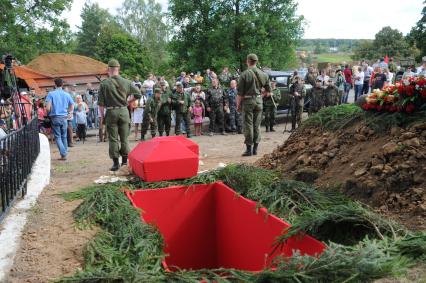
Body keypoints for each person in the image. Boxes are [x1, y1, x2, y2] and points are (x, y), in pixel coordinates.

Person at [98, 59, 141, 171]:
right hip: (123, 111)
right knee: (124, 139)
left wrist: (102, 117)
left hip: (111, 112)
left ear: (108, 70)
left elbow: (101, 104)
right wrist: (128, 102)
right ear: (118, 69)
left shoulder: (104, 84)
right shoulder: (127, 82)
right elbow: (138, 94)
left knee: (113, 139)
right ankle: (125, 162)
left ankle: (115, 163)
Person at [237, 53, 271, 157]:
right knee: (257, 125)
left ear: (248, 61)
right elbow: (268, 92)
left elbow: (240, 94)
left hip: (248, 102)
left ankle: (248, 150)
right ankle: (255, 149)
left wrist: (238, 105)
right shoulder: (264, 74)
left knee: (248, 126)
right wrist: (260, 95)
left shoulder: (244, 74)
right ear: (256, 62)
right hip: (259, 101)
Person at [45, 78, 74, 160]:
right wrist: (69, 112)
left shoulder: (51, 94)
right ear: (62, 85)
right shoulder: (67, 94)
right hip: (64, 117)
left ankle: (63, 153)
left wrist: (48, 114)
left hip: (55, 117)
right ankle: (64, 154)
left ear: (55, 85)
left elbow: (47, 108)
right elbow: (72, 105)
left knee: (58, 137)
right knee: (64, 136)